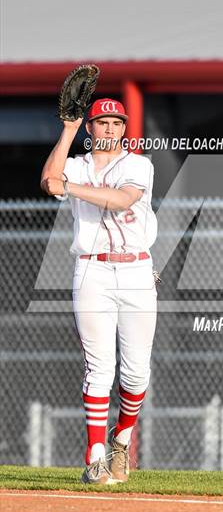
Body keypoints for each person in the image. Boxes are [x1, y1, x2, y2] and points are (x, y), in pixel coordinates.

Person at [41, 98, 158, 485]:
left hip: (137, 269)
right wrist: (69, 130)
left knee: (137, 373)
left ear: (124, 129)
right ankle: (94, 456)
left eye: (116, 123)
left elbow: (122, 199)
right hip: (92, 268)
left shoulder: (138, 164)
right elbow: (48, 180)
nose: (110, 129)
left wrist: (71, 187)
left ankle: (120, 440)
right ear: (91, 129)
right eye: (101, 123)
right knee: (99, 368)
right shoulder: (77, 163)